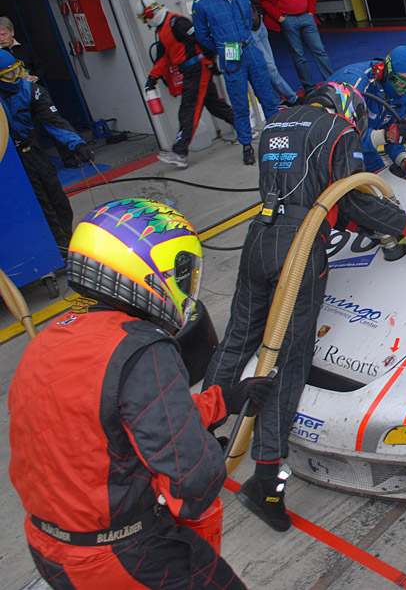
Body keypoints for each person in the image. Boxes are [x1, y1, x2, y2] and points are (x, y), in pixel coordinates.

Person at [204, 83, 406, 532]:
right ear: (347, 109)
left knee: (238, 338)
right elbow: (350, 196)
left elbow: (314, 197)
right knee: (289, 361)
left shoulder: (275, 123)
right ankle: (267, 481)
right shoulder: (337, 129)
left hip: (260, 237)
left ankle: (202, 438)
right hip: (298, 247)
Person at [9, 198, 275, 589]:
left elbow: (118, 422)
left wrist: (224, 401)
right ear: (153, 273)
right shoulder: (142, 349)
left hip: (51, 547)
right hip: (122, 555)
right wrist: (206, 456)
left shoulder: (54, 338)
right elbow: (193, 476)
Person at [192, 0, 281, 166]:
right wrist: (222, 49)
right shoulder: (202, 3)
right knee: (240, 105)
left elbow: (250, 21)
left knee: (268, 98)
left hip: (250, 50)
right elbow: (202, 35)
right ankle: (246, 144)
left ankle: (279, 138)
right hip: (231, 58)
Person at [0, 50, 92, 251]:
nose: (16, 77)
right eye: (9, 74)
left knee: (56, 196)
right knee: (30, 204)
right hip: (8, 158)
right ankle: (50, 248)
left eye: (18, 70)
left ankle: (66, 242)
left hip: (32, 149)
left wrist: (77, 144)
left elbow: (54, 122)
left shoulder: (32, 91)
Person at [137, 0, 236, 169]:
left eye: (145, 18)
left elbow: (202, 39)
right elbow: (165, 57)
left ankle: (180, 152)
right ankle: (244, 127)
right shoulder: (162, 30)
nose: (146, 22)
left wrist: (211, 60)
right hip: (191, 70)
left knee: (188, 109)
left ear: (150, 14)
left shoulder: (177, 23)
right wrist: (151, 79)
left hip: (197, 69)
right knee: (215, 106)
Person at [217, 0, 299, 108]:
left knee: (270, 67)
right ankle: (293, 98)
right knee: (268, 69)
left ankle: (278, 100)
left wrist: (258, 15)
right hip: (245, 36)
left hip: (258, 27)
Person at [1, 15, 82, 169]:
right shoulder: (1, 56)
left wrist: (34, 77)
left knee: (53, 122)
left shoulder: (25, 49)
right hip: (15, 100)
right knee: (31, 135)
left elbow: (40, 67)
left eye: (3, 34)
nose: (1, 38)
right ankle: (44, 165)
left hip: (34, 94)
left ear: (11, 32)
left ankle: (70, 158)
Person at [328, 45, 406, 174]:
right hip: (328, 149)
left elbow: (395, 137)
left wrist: (404, 161)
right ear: (384, 72)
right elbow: (344, 139)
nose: (403, 90)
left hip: (364, 145)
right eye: (400, 83)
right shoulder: (354, 84)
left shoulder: (402, 94)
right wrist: (386, 135)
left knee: (381, 183)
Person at [259, 0, 333, 93]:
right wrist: (280, 18)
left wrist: (311, 12)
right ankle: (310, 88)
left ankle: (332, 82)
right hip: (288, 20)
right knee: (298, 56)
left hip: (306, 16)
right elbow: (263, 0)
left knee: (319, 51)